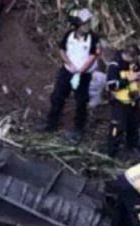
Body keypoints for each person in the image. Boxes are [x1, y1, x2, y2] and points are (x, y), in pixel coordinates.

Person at [39, 8, 99, 143]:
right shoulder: (69, 35)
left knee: (81, 101)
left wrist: (80, 71)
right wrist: (68, 63)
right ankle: (51, 122)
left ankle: (78, 129)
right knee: (57, 95)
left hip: (83, 74)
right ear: (77, 26)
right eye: (85, 24)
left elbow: (93, 56)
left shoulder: (92, 38)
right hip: (67, 71)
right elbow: (62, 50)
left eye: (88, 23)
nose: (87, 26)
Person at [106, 44, 140, 159]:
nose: (136, 61)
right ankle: (113, 151)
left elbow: (137, 78)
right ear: (127, 55)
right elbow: (112, 85)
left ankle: (132, 147)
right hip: (120, 102)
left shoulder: (135, 64)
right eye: (134, 58)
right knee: (117, 127)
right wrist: (128, 79)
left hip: (133, 100)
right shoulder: (115, 66)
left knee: (134, 125)